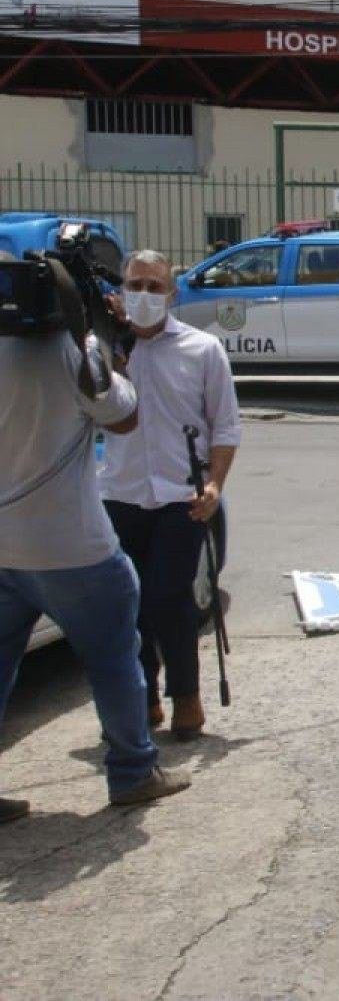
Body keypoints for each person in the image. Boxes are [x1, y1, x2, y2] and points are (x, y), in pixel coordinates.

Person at [1, 298, 191, 816]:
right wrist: (102, 339)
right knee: (113, 658)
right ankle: (133, 772)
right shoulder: (72, 348)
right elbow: (124, 416)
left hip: (3, 546)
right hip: (74, 547)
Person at [101, 250, 241, 739]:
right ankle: (142, 700)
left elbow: (225, 427)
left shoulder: (203, 350)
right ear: (119, 290)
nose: (143, 295)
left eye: (153, 287)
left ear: (172, 293)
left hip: (182, 496)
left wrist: (215, 484)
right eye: (134, 285)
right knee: (128, 604)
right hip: (120, 494)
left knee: (169, 599)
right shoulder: (105, 350)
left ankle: (186, 698)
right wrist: (111, 343)